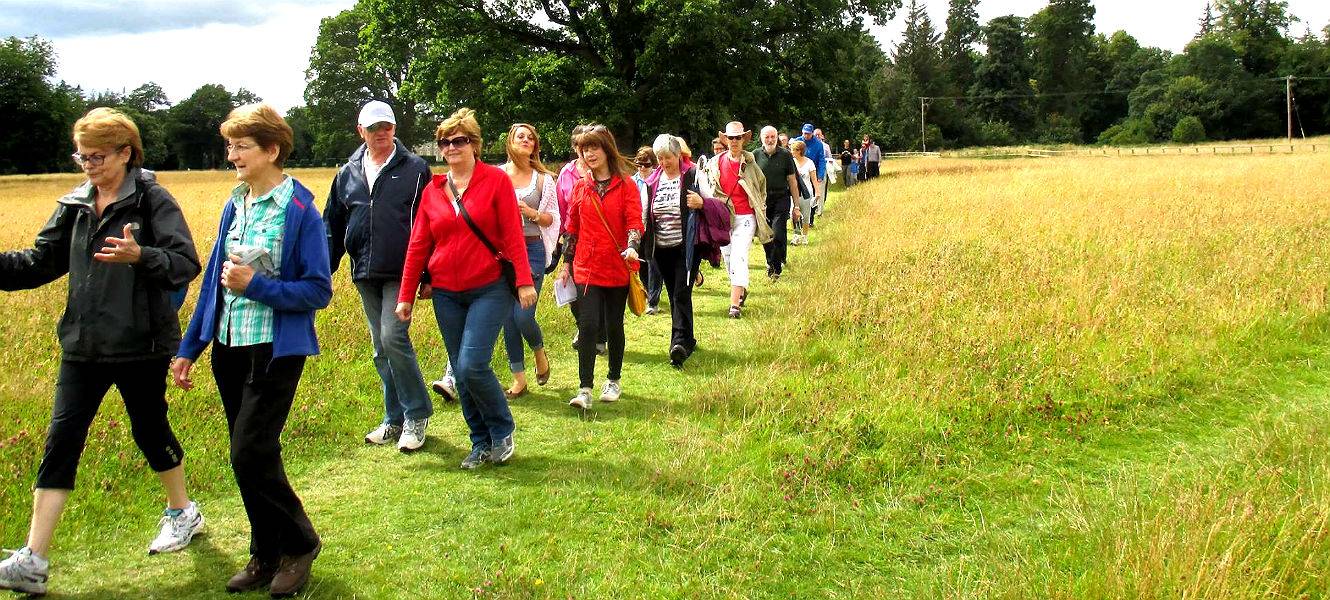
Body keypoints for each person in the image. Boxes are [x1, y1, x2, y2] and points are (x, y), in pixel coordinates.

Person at [0, 108, 203, 596]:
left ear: (125, 154)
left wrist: (141, 255)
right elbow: (38, 263)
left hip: (141, 344)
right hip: (82, 345)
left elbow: (184, 264)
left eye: (97, 156)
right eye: (81, 156)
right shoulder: (74, 204)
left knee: (150, 431)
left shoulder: (152, 200)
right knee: (62, 439)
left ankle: (182, 513)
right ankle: (33, 560)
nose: (87, 165)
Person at [170, 103, 330, 597]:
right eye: (230, 146)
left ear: (272, 150)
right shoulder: (234, 203)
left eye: (242, 146)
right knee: (255, 456)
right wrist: (190, 345)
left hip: (275, 349)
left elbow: (317, 291)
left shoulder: (300, 209)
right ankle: (264, 554)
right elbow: (216, 284)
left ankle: (299, 544)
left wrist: (257, 285)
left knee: (248, 452)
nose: (232, 155)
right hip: (230, 345)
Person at [396, 108, 537, 469]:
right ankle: (479, 442)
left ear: (474, 144)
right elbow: (417, 246)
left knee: (472, 364)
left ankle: (502, 429)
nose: (452, 147)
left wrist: (523, 281)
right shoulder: (434, 191)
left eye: (459, 140)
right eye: (445, 142)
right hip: (446, 293)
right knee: (459, 371)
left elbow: (511, 235)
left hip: (489, 288)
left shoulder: (495, 182)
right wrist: (405, 296)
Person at [325, 100, 435, 451]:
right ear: (361, 132)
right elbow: (333, 224)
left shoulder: (416, 168)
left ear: (394, 128)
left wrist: (428, 274)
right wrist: (323, 270)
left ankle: (417, 414)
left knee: (393, 338)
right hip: (364, 269)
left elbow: (428, 221)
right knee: (380, 347)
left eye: (386, 126)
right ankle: (394, 419)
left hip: (402, 269)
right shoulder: (347, 173)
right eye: (374, 128)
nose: (382, 132)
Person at [558, 125, 644, 409]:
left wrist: (632, 244)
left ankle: (614, 379)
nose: (589, 153)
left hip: (617, 265)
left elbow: (634, 222)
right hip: (586, 266)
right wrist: (566, 263)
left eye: (594, 147)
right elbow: (572, 227)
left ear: (607, 149)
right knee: (588, 325)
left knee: (614, 324)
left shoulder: (627, 184)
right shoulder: (581, 186)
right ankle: (584, 388)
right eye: (584, 149)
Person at [643, 135, 727, 368]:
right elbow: (644, 214)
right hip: (660, 248)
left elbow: (716, 204)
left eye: (668, 157)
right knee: (675, 295)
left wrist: (701, 202)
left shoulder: (692, 175)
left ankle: (678, 344)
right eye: (659, 158)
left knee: (680, 292)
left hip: (686, 247)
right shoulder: (651, 181)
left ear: (678, 155)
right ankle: (687, 338)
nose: (663, 162)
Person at [499, 123, 559, 399]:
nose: (526, 140)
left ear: (535, 146)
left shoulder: (544, 179)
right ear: (509, 142)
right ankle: (519, 379)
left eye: (530, 138)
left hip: (532, 250)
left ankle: (539, 351)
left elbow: (552, 219)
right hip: (503, 255)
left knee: (522, 315)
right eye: (520, 136)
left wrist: (530, 212)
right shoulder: (496, 176)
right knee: (507, 319)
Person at [704, 121, 771, 319]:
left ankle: (734, 305)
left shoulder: (751, 164)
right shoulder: (714, 163)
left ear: (744, 139)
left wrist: (760, 206)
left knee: (739, 255)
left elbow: (761, 187)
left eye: (738, 137)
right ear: (725, 139)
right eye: (731, 137)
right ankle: (741, 288)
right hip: (723, 218)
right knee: (728, 256)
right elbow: (708, 187)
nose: (734, 141)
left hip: (745, 216)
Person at [554, 125, 607, 357]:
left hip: (598, 240)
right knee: (574, 290)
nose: (583, 151)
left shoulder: (604, 172)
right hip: (573, 238)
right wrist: (560, 236)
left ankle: (600, 335)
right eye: (579, 146)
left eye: (588, 146)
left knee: (598, 290)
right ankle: (584, 329)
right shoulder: (566, 174)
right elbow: (560, 206)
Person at [754, 126, 800, 283]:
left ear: (777, 138)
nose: (770, 140)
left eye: (773, 136)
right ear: (761, 138)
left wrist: (796, 205)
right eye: (767, 137)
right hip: (762, 201)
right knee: (766, 235)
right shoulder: (755, 155)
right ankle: (771, 263)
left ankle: (776, 268)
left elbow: (792, 181)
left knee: (778, 233)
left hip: (781, 198)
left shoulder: (786, 155)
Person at [632, 146, 665, 315]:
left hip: (654, 227)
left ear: (653, 164)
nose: (642, 168)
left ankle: (653, 301)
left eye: (646, 164)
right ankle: (646, 291)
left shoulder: (659, 180)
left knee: (654, 264)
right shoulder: (631, 182)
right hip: (636, 228)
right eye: (639, 165)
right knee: (641, 264)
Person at [789, 139, 818, 246]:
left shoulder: (809, 162)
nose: (791, 152)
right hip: (794, 192)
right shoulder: (791, 162)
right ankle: (796, 235)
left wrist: (817, 192)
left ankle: (804, 236)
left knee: (806, 215)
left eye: (793, 150)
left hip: (806, 193)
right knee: (794, 214)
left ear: (799, 151)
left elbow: (814, 179)